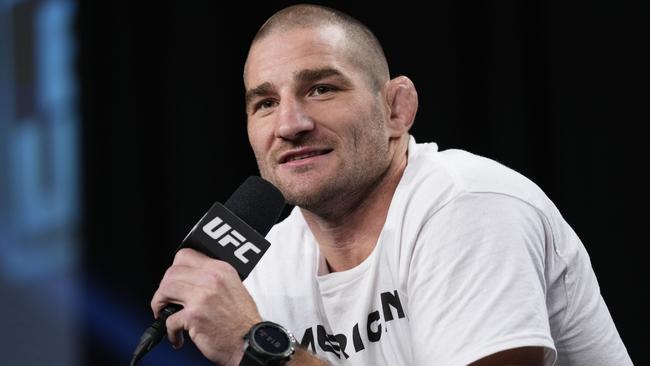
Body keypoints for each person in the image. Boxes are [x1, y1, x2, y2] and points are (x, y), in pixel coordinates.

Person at [150, 4, 633, 365]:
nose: (289, 124)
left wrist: (256, 344)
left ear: (396, 109)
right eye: (265, 103)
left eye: (321, 89)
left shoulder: (468, 205)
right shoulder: (271, 262)